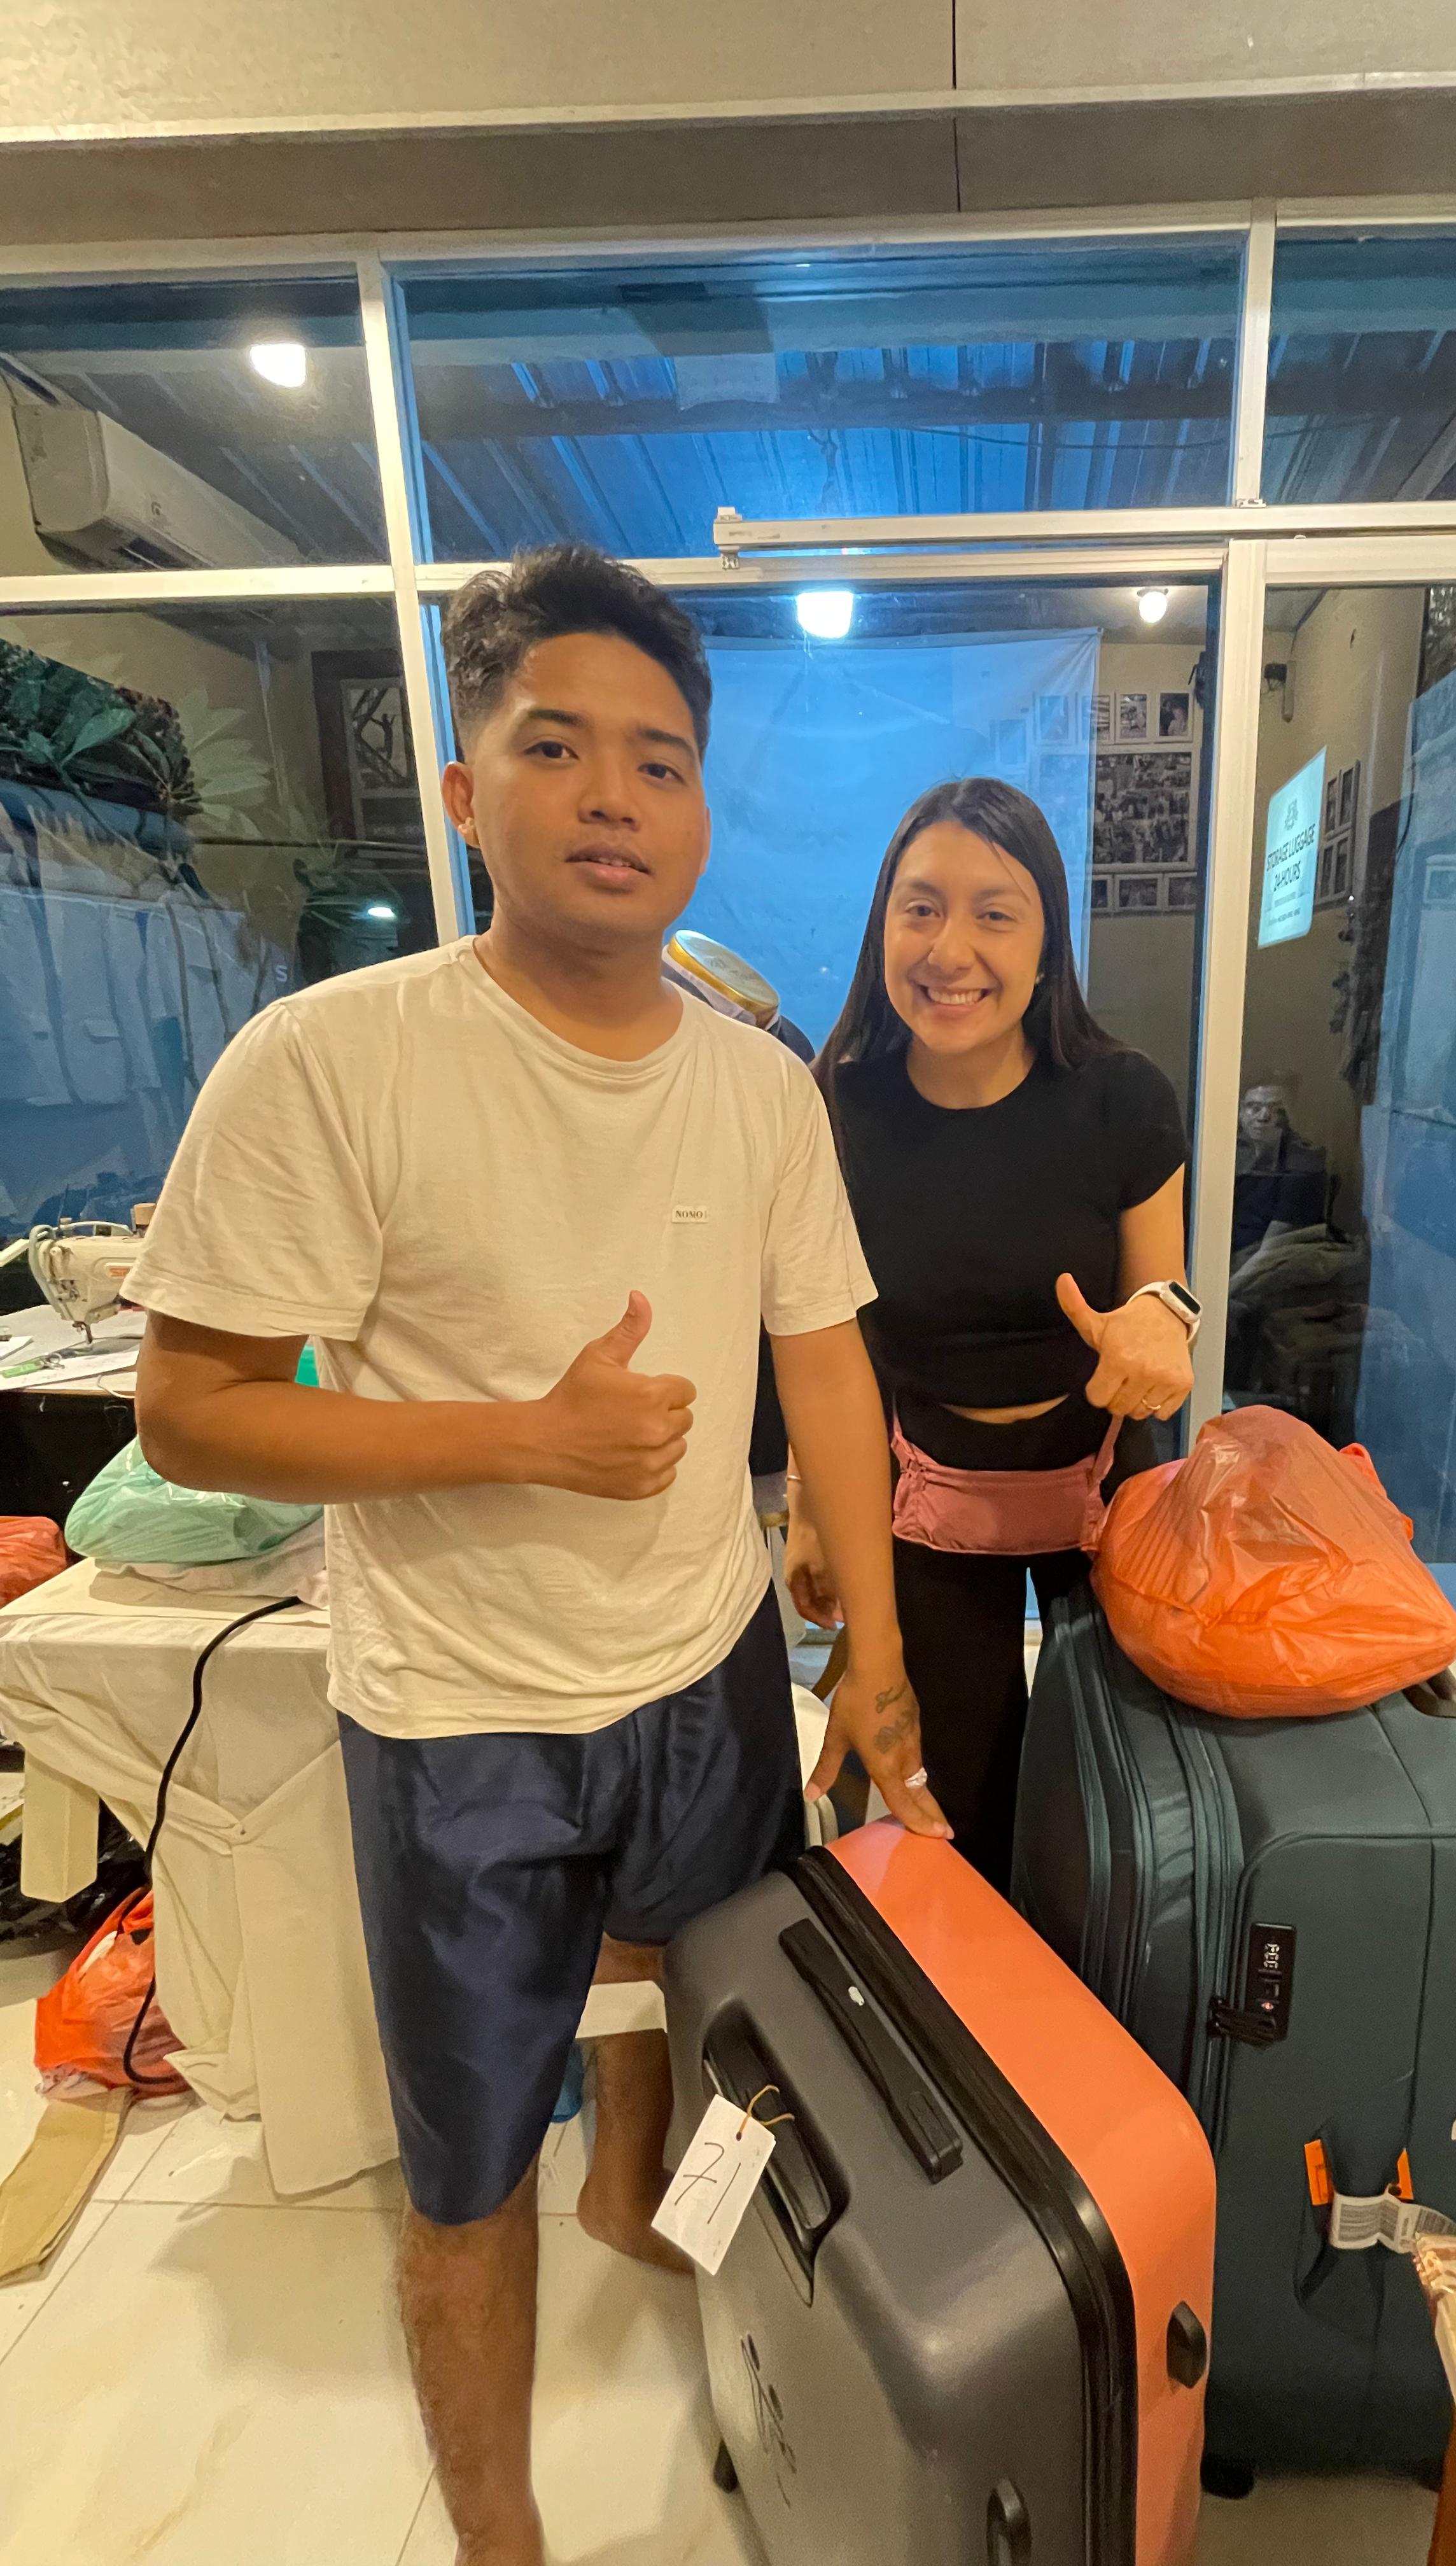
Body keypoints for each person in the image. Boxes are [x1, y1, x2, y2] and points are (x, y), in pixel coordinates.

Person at [128, 543, 945, 2566]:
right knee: (467, 2157)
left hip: (709, 1666)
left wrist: (877, 1646)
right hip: (459, 1709)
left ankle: (642, 2205)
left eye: (660, 762)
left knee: (712, 2009)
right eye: (555, 747)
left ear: (700, 807)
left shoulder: (761, 1089)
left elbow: (829, 1370)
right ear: (465, 787)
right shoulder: (329, 1061)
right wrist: (526, 1439)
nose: (612, 798)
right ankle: (497, 2529)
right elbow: (192, 1411)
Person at [784, 777, 1198, 1892]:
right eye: (920, 908)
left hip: (1102, 1480)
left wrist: (1162, 1329)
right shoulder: (835, 1107)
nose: (950, 949)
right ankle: (972, 1988)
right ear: (882, 927)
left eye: (994, 914)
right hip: (926, 1484)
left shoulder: (1123, 1097)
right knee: (949, 1801)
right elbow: (824, 1343)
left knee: (1119, 1800)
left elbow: (1164, 1293)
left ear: (1047, 941)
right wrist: (810, 1505)